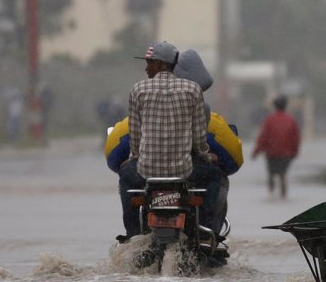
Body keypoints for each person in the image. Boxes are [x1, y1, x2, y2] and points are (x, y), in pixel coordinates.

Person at [105, 49, 243, 238]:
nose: (147, 68)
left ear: (161, 65)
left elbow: (128, 143)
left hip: (146, 170)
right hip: (184, 170)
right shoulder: (197, 100)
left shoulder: (139, 92)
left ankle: (132, 235)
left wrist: (133, 159)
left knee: (127, 176)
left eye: (150, 63)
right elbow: (207, 145)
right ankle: (207, 234)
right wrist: (205, 155)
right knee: (215, 178)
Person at [251, 95, 301, 199]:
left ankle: (271, 196)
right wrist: (295, 152)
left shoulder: (269, 120)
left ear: (274, 106)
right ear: (286, 105)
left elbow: (263, 137)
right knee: (283, 175)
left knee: (271, 174)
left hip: (271, 153)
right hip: (286, 154)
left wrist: (256, 151)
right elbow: (296, 138)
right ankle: (283, 197)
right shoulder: (291, 120)